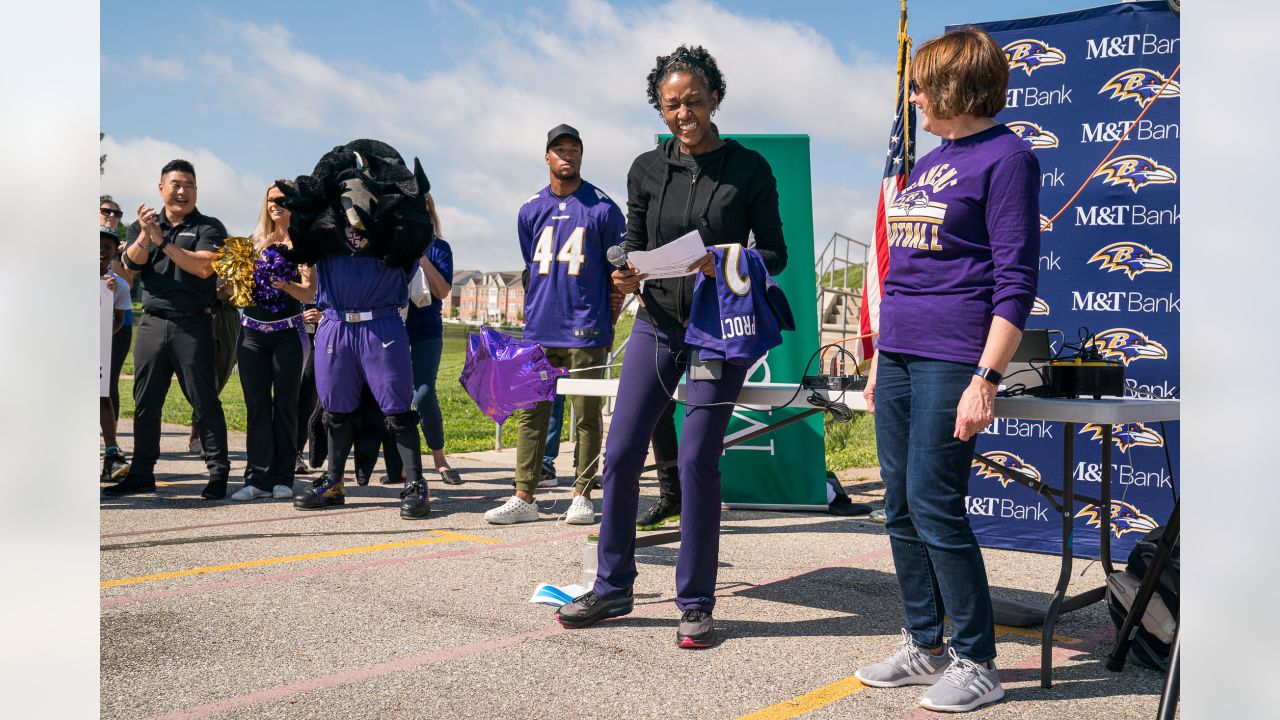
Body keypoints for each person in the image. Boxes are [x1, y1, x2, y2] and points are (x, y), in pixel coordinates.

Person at [555, 45, 787, 649]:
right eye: (670, 105)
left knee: (694, 460)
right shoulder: (644, 169)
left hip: (718, 329)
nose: (682, 113)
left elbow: (777, 253)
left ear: (715, 99)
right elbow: (631, 244)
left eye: (692, 101)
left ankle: (696, 604)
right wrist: (624, 273)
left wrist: (728, 259)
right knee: (622, 452)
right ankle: (613, 586)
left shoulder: (750, 169)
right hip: (657, 324)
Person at [852, 27, 1040, 714]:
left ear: (959, 87)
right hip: (900, 356)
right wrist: (879, 361)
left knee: (935, 504)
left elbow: (1015, 281)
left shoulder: (1007, 158)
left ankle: (977, 661)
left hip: (953, 356)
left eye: (924, 84)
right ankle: (924, 645)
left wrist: (984, 378)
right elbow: (902, 274)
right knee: (898, 506)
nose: (915, 96)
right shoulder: (931, 160)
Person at [279, 139, 435, 521]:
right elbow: (301, 233)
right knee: (334, 409)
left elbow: (416, 238)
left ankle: (414, 482)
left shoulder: (394, 228)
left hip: (380, 324)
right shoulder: (323, 230)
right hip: (335, 324)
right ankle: (333, 480)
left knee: (398, 408)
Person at [483, 124, 625, 526]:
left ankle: (582, 494)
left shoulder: (602, 208)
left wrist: (607, 319)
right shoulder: (530, 209)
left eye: (574, 149)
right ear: (547, 157)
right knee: (532, 412)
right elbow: (532, 267)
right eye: (559, 150)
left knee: (586, 413)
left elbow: (620, 273)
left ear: (582, 155)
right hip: (540, 329)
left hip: (585, 327)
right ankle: (524, 495)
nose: (567, 156)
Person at [106, 159, 232, 499]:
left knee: (203, 400)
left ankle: (218, 473)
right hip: (152, 322)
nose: (182, 191)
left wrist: (164, 243)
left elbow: (204, 268)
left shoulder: (208, 226)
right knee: (145, 401)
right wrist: (148, 237)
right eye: (175, 184)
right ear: (161, 188)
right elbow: (130, 266)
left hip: (193, 323)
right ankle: (142, 472)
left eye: (189, 185)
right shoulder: (143, 226)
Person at [230, 182, 315, 501]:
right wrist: (229, 287)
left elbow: (309, 293)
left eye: (282, 200)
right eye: (270, 200)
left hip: (287, 333)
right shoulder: (253, 241)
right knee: (256, 406)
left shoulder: (303, 243)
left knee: (286, 406)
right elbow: (238, 289)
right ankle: (256, 478)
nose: (275, 205)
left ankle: (283, 477)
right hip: (251, 333)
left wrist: (285, 284)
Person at [407, 193, 461, 486]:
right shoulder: (392, 244)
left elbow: (442, 291)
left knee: (424, 393)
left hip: (426, 329)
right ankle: (404, 462)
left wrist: (422, 258)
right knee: (397, 396)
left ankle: (439, 457)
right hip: (394, 328)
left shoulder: (440, 248)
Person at [100, 227, 131, 482]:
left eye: (107, 248)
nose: (101, 251)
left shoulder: (118, 285)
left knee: (103, 395)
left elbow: (119, 320)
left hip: (97, 347)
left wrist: (106, 299)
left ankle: (111, 451)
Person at [100, 197, 134, 423]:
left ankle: (111, 438)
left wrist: (114, 257)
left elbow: (128, 282)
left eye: (117, 213)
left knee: (108, 380)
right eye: (105, 211)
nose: (112, 216)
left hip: (118, 321)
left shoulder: (124, 250)